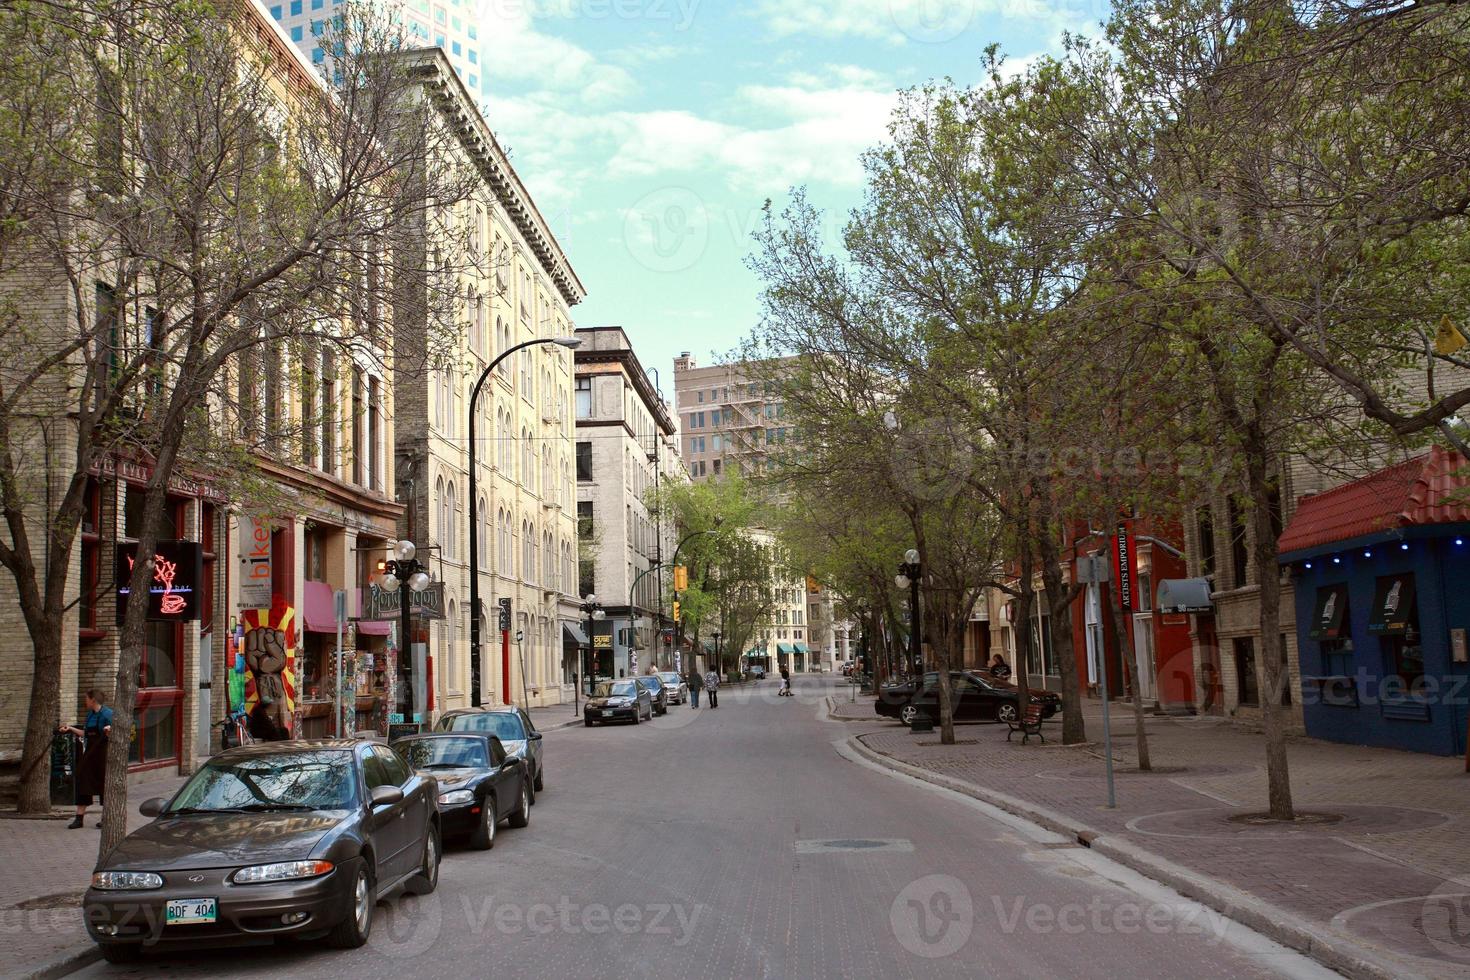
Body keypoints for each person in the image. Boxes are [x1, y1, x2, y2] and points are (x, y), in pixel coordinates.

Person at [58, 689, 112, 829]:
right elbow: (85, 734)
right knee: (83, 785)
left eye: (86, 698)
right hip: (89, 755)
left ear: (93, 700)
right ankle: (79, 819)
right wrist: (70, 729)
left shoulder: (108, 714)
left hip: (103, 755)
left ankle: (106, 818)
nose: (85, 701)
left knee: (104, 786)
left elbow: (117, 732)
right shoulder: (90, 715)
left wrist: (110, 729)